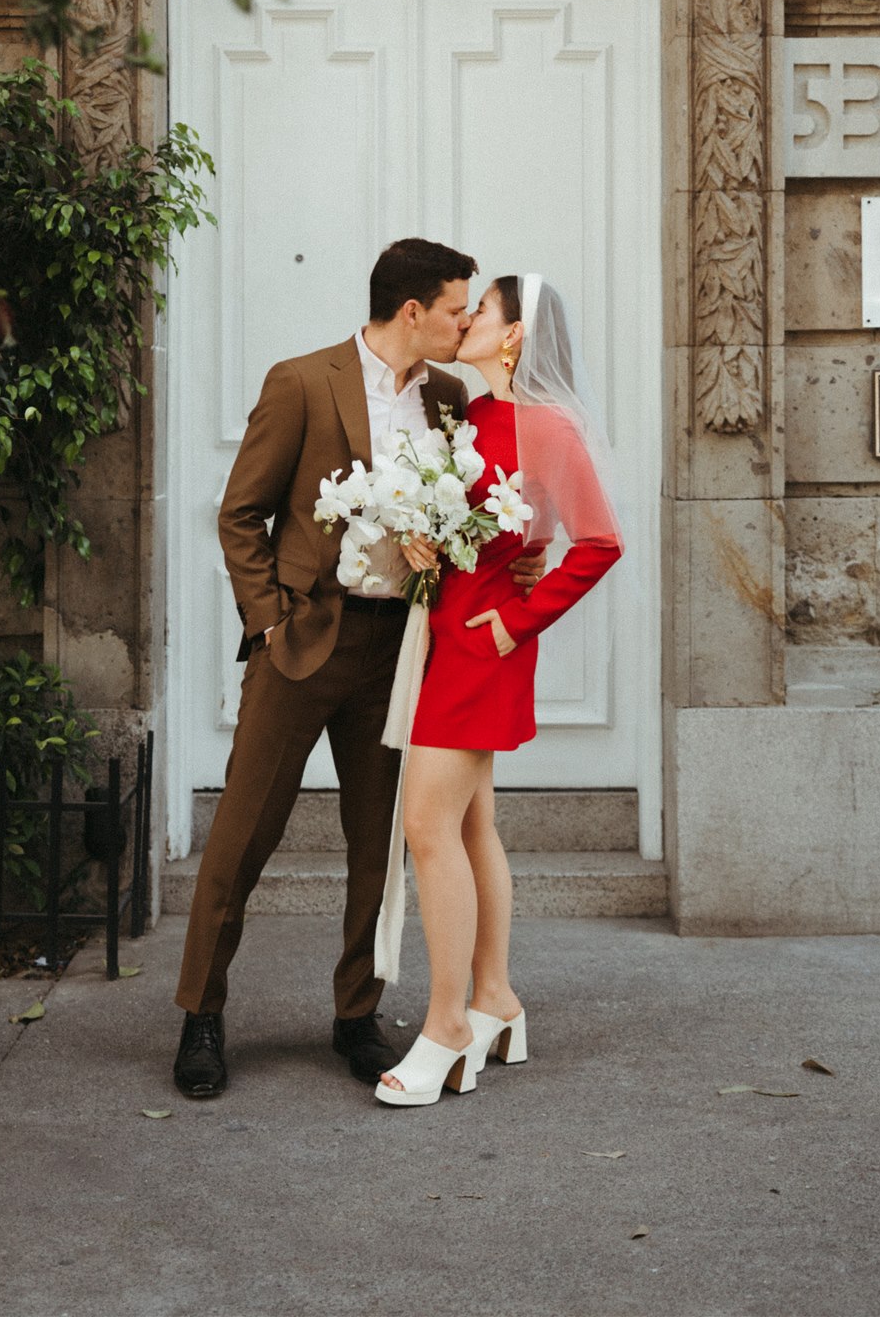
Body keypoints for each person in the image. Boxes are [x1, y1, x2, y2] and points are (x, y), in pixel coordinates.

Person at [172, 239, 547, 1099]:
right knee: (243, 833)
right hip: (304, 642)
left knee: (378, 840)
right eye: (458, 308)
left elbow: (480, 510)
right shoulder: (302, 380)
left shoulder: (451, 397)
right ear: (411, 311)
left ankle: (355, 1014)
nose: (467, 321)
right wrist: (269, 624)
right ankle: (201, 1014)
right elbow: (241, 516)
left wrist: (513, 563)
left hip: (404, 647)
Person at [375, 273, 624, 1108]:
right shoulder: (475, 415)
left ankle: (447, 1026)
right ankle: (494, 999)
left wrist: (519, 619)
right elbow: (501, 521)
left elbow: (597, 542)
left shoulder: (548, 426)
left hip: (485, 644)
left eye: (482, 309)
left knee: (425, 825)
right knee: (472, 821)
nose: (468, 317)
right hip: (446, 630)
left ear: (513, 335)